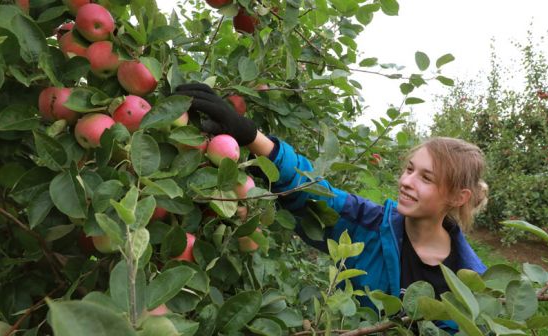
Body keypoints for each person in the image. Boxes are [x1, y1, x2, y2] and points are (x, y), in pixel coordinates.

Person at [176, 83, 489, 333]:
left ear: (457, 197)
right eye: (409, 169)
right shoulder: (370, 226)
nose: (407, 181)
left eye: (426, 178)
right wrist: (250, 136)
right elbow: (318, 196)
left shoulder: (472, 282)